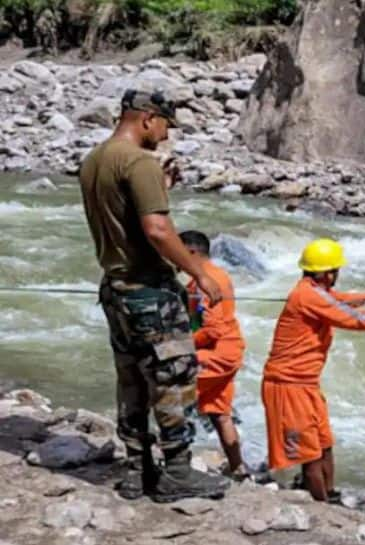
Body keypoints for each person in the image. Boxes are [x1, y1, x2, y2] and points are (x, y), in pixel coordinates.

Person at [79, 89, 230, 502]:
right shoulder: (139, 161)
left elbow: (121, 218)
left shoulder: (96, 159)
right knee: (172, 378)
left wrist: (160, 188)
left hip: (116, 288)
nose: (164, 136)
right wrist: (199, 271)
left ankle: (136, 471)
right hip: (150, 292)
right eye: (164, 125)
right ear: (147, 118)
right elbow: (158, 232)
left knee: (130, 380)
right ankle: (178, 473)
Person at [261, 238, 365, 502]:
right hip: (287, 385)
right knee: (309, 455)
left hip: (306, 384)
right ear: (326, 272)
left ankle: (329, 494)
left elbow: (336, 300)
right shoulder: (307, 295)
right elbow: (358, 320)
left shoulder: (311, 290)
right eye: (335, 270)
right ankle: (322, 507)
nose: (337, 275)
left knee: (324, 444)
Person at [179, 230, 248, 479]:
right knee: (219, 413)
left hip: (216, 354)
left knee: (173, 396)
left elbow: (212, 328)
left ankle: (175, 464)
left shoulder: (204, 281)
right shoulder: (216, 275)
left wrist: (183, 344)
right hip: (230, 351)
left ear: (191, 252)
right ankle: (238, 467)